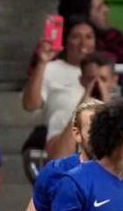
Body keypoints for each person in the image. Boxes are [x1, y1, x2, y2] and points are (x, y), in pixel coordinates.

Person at [22, 16, 96, 156]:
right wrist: (42, 62)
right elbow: (30, 105)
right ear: (65, 41)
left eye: (89, 37)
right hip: (62, 145)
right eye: (76, 37)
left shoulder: (102, 70)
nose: (83, 43)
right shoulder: (51, 68)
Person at [48, 52, 119, 159]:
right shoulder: (63, 114)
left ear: (114, 81)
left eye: (103, 79)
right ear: (81, 80)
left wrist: (108, 109)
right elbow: (59, 158)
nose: (97, 85)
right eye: (91, 79)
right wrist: (80, 112)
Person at [58, 0, 123, 64]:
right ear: (83, 15)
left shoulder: (114, 37)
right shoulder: (59, 47)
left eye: (105, 3)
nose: (106, 10)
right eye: (99, 8)